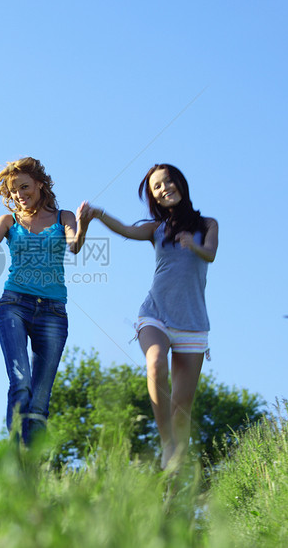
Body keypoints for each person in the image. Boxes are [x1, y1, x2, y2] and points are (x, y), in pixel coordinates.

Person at [82, 164, 218, 470]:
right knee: (155, 363)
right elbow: (127, 230)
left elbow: (211, 253)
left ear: (180, 184)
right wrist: (98, 214)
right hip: (155, 314)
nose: (164, 188)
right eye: (157, 186)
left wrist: (193, 245)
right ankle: (166, 442)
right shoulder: (156, 229)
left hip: (193, 323)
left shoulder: (208, 224)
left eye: (168, 181)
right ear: (153, 197)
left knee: (181, 408)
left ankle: (175, 475)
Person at [0, 157, 91, 445]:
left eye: (24, 186)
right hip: (14, 306)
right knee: (20, 383)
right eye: (13, 190)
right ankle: (16, 452)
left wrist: (84, 223)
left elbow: (75, 245)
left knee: (40, 400)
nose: (19, 194)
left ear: (40, 185)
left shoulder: (63, 217)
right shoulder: (9, 221)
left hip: (53, 312)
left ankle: (30, 470)